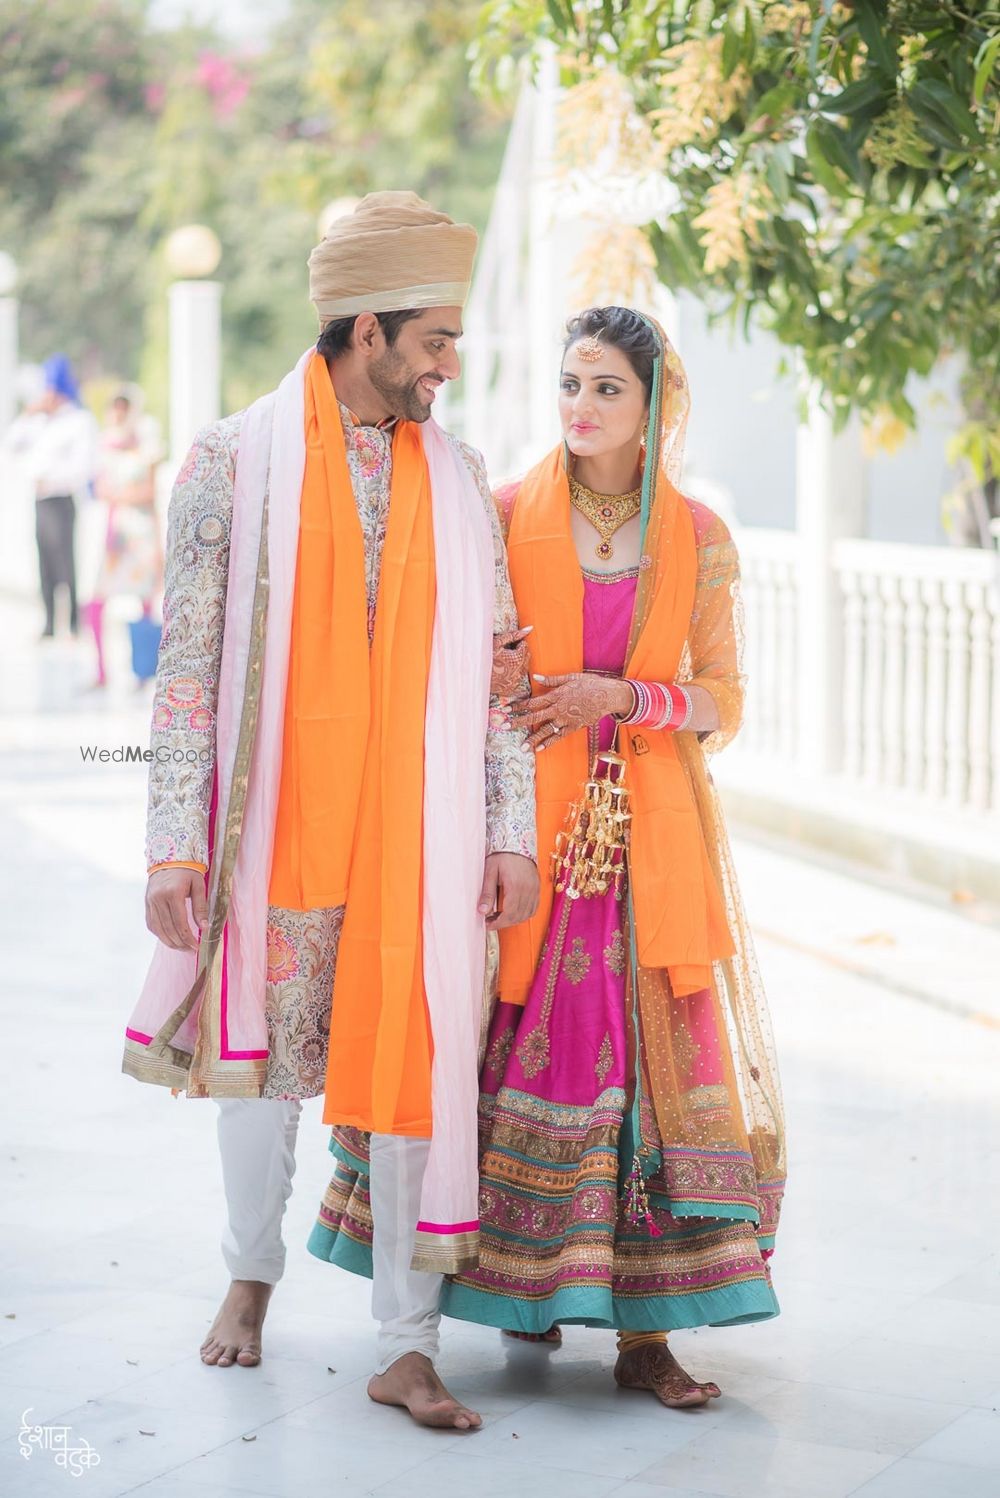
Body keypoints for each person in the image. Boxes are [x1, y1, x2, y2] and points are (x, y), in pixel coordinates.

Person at [310, 305, 785, 1410]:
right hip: (524, 835)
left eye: (606, 388)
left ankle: (647, 1335)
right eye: (569, 383)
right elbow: (451, 663)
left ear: (654, 403)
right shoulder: (502, 510)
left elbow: (724, 701)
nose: (579, 407)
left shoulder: (699, 536)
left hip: (649, 838)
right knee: (496, 1046)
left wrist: (620, 695)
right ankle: (488, 1300)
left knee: (649, 1080)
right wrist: (501, 676)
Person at [122, 192, 538, 1430]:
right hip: (274, 829)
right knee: (260, 1077)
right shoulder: (227, 462)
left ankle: (407, 1343)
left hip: (419, 837)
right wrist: (172, 843)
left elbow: (498, 680)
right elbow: (186, 669)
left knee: (415, 1061)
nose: (450, 365)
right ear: (368, 331)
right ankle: (251, 1272)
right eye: (435, 341)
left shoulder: (459, 477)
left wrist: (509, 828)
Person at [3, 354, 96, 638]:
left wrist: (51, 479)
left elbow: (82, 468)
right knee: (44, 561)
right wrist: (28, 414)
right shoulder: (39, 422)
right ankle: (49, 622)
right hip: (40, 500)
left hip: (61, 498)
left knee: (64, 562)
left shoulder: (79, 421)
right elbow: (11, 444)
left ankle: (71, 624)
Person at [83, 387, 163, 688]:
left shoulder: (146, 449)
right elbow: (99, 488)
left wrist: (158, 542)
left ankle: (142, 669)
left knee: (144, 600)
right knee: (96, 601)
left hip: (140, 532)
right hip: (116, 533)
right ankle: (101, 670)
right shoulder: (103, 448)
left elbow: (150, 494)